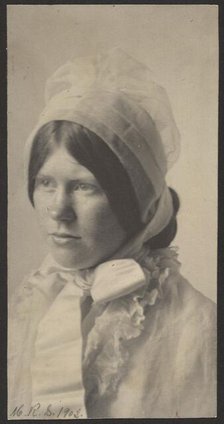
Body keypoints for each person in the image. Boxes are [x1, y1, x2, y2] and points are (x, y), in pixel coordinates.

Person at [8, 48, 216, 419]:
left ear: (135, 198)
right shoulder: (31, 303)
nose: (58, 210)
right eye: (45, 183)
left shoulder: (198, 329)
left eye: (85, 187)